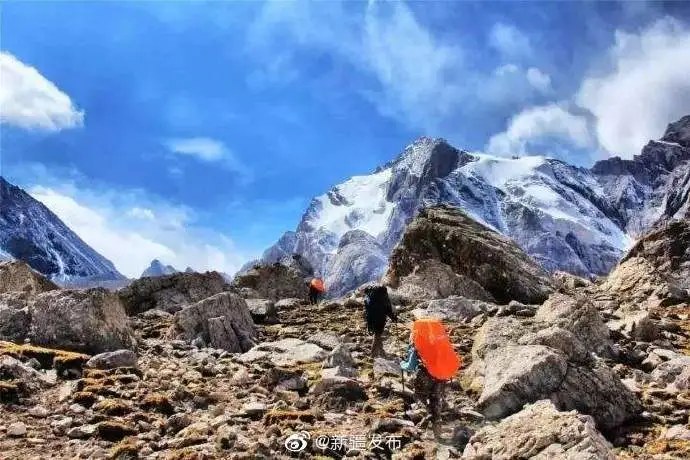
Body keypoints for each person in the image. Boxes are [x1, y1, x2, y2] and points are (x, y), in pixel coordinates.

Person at [400, 318, 461, 435]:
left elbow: (411, 365)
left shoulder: (419, 341)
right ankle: (437, 425)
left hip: (424, 375)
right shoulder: (442, 341)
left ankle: (426, 414)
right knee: (436, 398)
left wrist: (402, 364)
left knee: (419, 395)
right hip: (441, 376)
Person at [363, 284, 397, 357]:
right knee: (377, 335)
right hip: (380, 319)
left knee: (377, 334)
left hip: (371, 318)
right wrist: (394, 318)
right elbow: (388, 309)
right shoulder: (383, 296)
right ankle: (372, 355)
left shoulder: (371, 295)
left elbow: (366, 307)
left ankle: (381, 352)